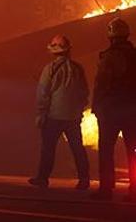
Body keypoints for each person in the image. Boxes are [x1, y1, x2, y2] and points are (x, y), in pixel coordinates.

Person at [91, 17, 136, 201]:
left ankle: (106, 189)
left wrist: (97, 107)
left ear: (111, 36)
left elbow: (101, 84)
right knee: (134, 151)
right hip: (134, 110)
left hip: (112, 110)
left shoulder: (109, 57)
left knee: (106, 149)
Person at [28, 35, 91, 190]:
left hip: (53, 116)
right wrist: (79, 110)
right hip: (73, 117)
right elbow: (84, 92)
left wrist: (41, 114)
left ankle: (43, 178)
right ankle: (84, 179)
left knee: (48, 148)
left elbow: (43, 93)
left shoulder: (50, 69)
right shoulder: (78, 68)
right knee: (77, 148)